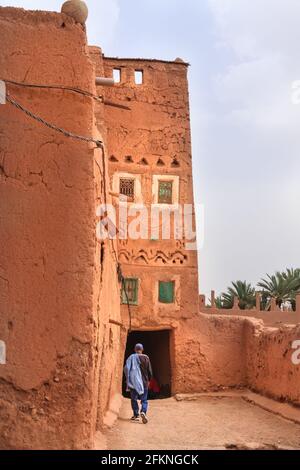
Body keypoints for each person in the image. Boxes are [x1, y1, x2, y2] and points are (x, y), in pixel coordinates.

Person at [124, 343, 153, 424]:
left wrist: (128, 378)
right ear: (142, 350)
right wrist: (149, 380)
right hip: (144, 382)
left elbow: (126, 368)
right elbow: (150, 371)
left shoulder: (131, 358)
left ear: (135, 350)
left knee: (134, 399)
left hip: (134, 383)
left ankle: (136, 415)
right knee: (144, 399)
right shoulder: (146, 358)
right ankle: (143, 411)